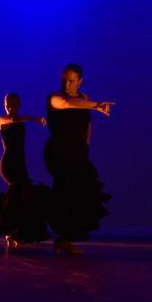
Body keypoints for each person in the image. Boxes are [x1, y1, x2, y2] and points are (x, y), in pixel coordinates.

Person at [44, 64, 113, 255]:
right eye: (64, 79)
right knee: (66, 190)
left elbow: (87, 124)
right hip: (58, 151)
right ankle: (61, 236)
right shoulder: (55, 97)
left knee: (80, 194)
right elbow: (67, 104)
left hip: (78, 151)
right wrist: (97, 105)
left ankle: (65, 240)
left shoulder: (84, 98)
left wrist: (86, 147)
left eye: (71, 80)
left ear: (80, 81)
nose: (67, 84)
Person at [0, 93, 50, 247]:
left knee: (22, 196)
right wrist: (35, 119)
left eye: (14, 103)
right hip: (8, 163)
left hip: (20, 163)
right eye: (7, 103)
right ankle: (12, 232)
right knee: (18, 192)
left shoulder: (20, 120)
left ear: (19, 104)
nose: (10, 106)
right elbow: (14, 119)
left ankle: (15, 232)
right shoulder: (2, 119)